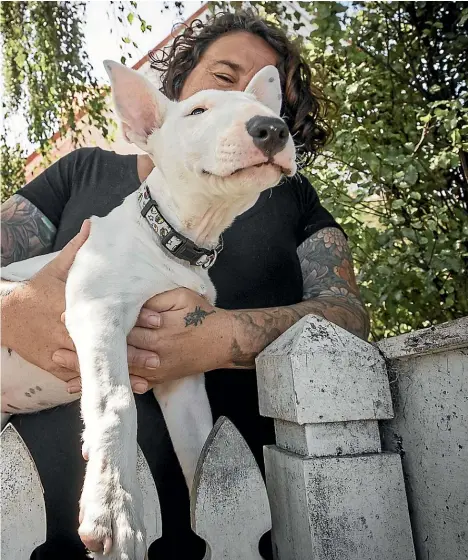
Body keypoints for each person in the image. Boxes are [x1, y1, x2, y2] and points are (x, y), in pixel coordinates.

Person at [0, 10, 369, 559]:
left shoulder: (290, 204)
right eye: (223, 80)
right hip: (35, 515)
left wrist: (217, 339)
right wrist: (15, 308)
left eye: (266, 107)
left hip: (211, 534)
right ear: (155, 114)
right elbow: (91, 307)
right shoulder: (86, 178)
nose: (252, 113)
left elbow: (348, 320)